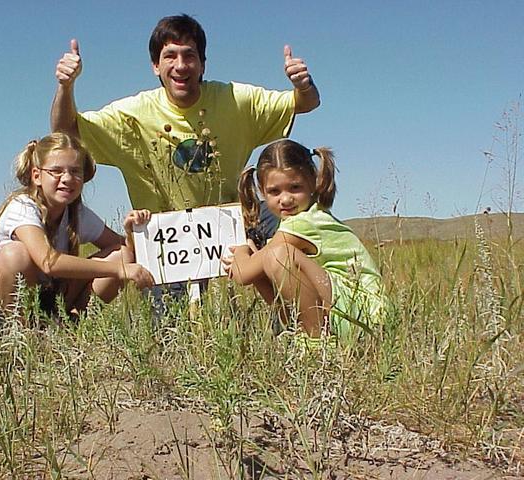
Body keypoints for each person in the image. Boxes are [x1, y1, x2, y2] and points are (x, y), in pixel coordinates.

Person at [51, 14, 320, 216]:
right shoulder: (131, 114)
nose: (180, 66)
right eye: (170, 56)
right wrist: (66, 86)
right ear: (156, 66)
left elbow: (306, 103)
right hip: (163, 240)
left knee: (300, 222)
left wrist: (303, 84)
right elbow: (65, 131)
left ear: (202, 64)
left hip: (231, 226)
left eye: (189, 56)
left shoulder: (236, 100)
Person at [0, 132, 155, 325]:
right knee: (16, 254)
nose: (67, 178)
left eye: (75, 171)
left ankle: (71, 326)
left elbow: (128, 254)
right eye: (56, 171)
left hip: (47, 298)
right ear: (37, 176)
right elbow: (48, 262)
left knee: (122, 255)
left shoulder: (77, 212)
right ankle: (19, 339)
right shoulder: (22, 207)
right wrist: (118, 270)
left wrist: (130, 233)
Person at [223, 140, 386, 339]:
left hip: (365, 313)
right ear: (261, 190)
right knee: (266, 263)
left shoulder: (303, 223)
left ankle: (317, 341)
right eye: (275, 191)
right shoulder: (307, 217)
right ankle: (300, 334)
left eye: (295, 187)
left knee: (276, 257)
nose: (285, 199)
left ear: (313, 181)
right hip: (352, 310)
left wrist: (242, 250)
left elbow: (242, 274)